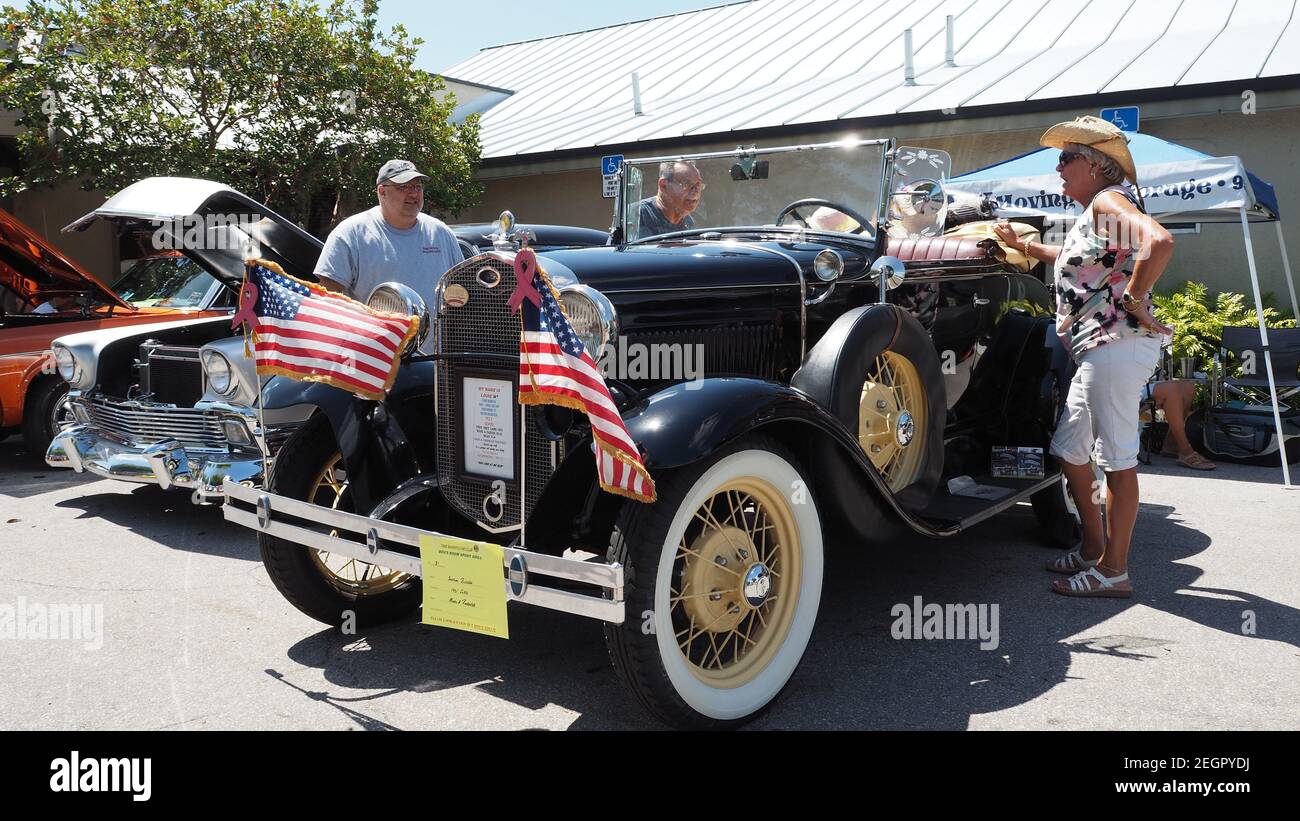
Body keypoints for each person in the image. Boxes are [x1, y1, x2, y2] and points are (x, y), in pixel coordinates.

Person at [992, 115, 1175, 598]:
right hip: (1099, 348)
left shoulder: (1107, 200)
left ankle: (1114, 572)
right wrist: (1024, 246)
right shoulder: (1099, 209)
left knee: (1116, 461)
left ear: (1097, 166)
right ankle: (1093, 549)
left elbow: (1159, 242)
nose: (1058, 168)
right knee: (1070, 451)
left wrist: (1135, 298)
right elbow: (1078, 259)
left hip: (1114, 345)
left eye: (1067, 158)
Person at [315, 159, 464, 307]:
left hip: (436, 331)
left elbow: (463, 288)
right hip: (373, 331)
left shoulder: (441, 233)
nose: (413, 194)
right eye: (403, 187)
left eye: (417, 187)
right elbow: (328, 297)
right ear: (382, 191)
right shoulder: (350, 234)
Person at [1145, 379, 1216, 470]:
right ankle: (1186, 452)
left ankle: (1172, 444)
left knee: (1188, 386)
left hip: (1138, 382)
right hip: (1126, 386)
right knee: (1171, 389)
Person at [633, 161, 703, 239]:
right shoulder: (636, 215)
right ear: (663, 185)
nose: (695, 191)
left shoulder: (689, 222)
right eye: (686, 183)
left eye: (698, 184)